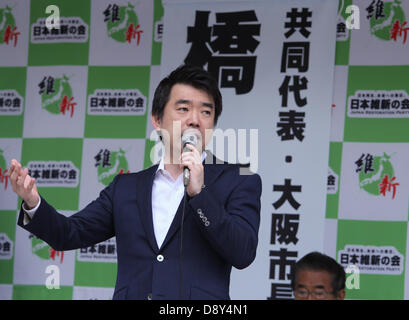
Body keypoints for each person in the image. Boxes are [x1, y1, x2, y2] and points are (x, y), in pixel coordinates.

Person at [8, 64, 262, 300]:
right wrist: (32, 202)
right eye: (183, 109)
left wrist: (200, 194)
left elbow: (242, 253)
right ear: (157, 120)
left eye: (206, 111)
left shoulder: (239, 180)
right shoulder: (126, 188)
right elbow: (69, 234)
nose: (195, 119)